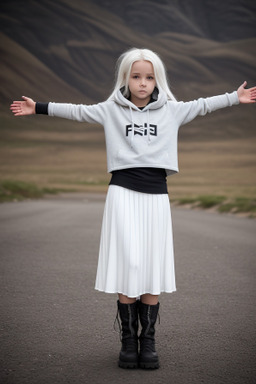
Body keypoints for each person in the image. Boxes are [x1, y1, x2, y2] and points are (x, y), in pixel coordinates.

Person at [10, 48, 256, 370]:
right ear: (125, 78)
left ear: (158, 80)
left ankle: (148, 342)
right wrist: (38, 107)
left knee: (152, 266)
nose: (143, 83)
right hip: (122, 195)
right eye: (136, 76)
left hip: (156, 197)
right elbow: (77, 111)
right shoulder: (111, 110)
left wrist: (234, 98)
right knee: (128, 266)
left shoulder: (172, 110)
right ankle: (128, 342)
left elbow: (203, 106)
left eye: (149, 77)